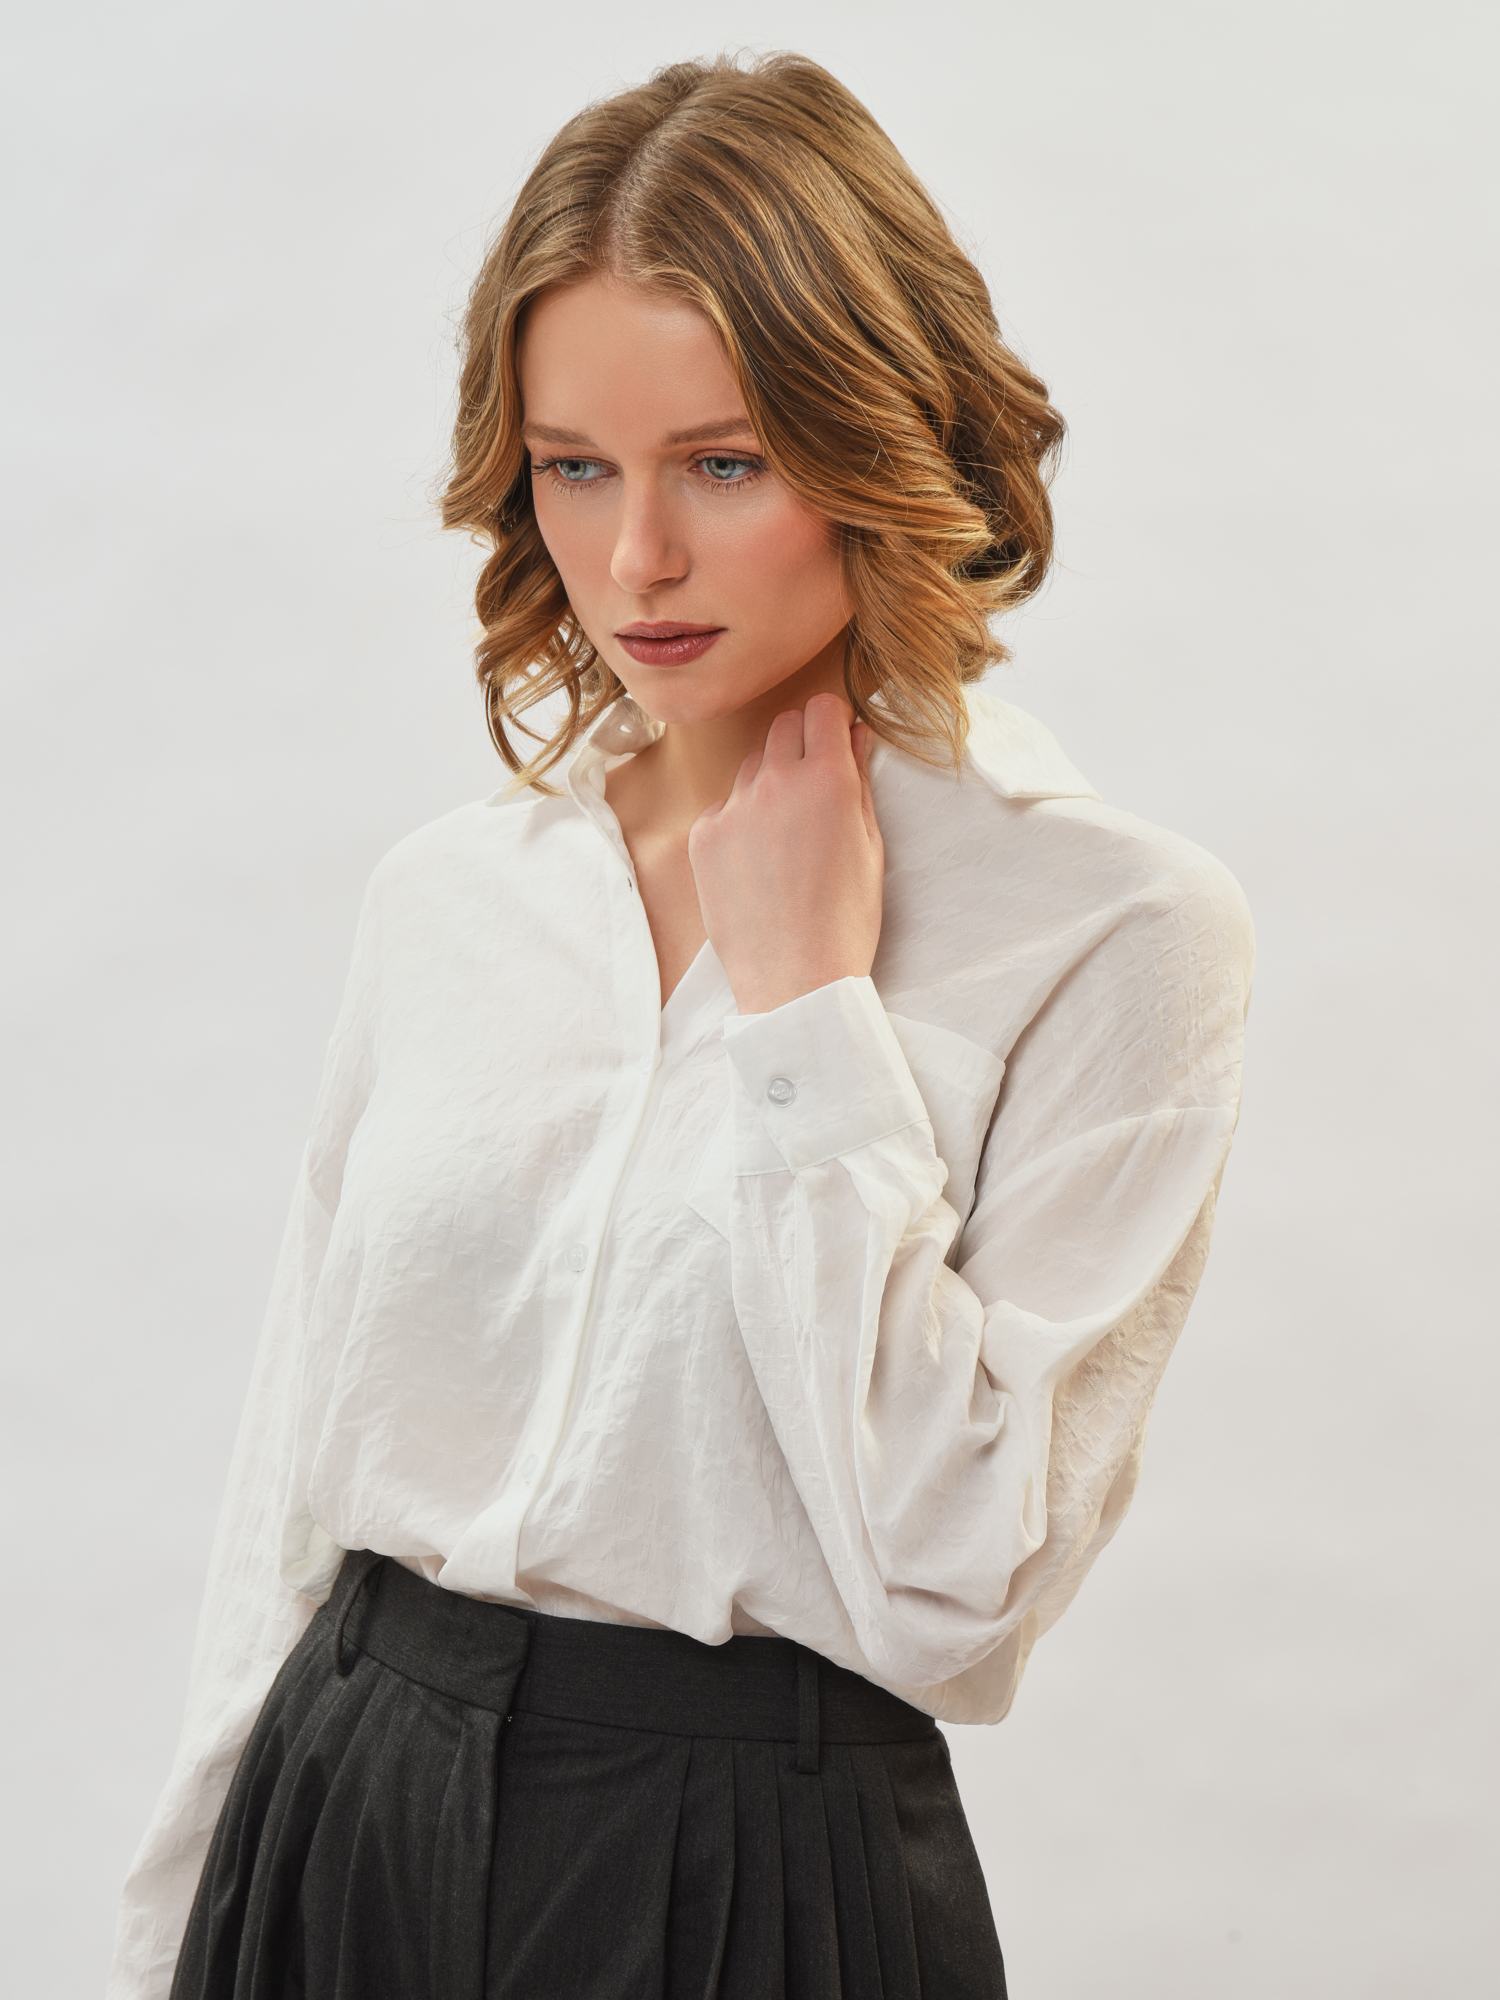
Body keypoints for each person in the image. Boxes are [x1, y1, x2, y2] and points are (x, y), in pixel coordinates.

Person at [110, 51, 1253, 2000]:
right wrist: (171, 1931)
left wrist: (808, 1012)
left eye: (722, 463)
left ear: (880, 438)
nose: (634, 557)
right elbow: (293, 1478)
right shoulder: (450, 897)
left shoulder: (1113, 929)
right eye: (575, 466)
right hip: (341, 1813)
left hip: (751, 1875)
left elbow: (952, 1587)